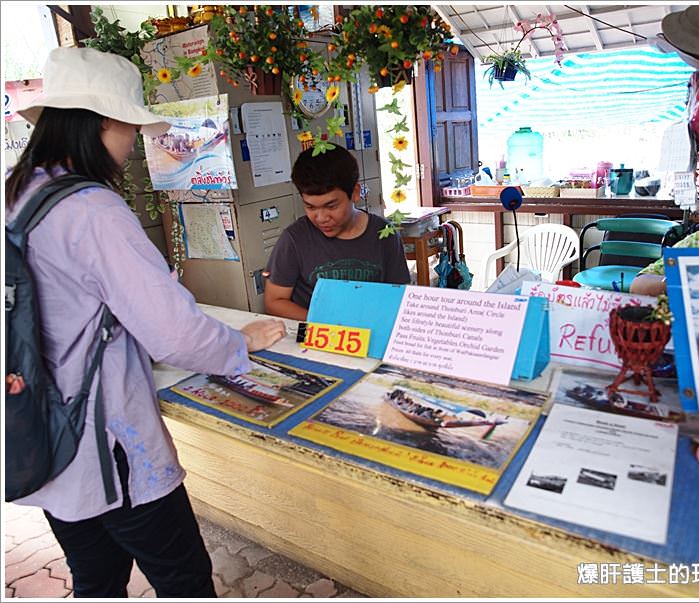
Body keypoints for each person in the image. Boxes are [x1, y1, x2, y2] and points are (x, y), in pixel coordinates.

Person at [5, 47, 287, 598]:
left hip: (41, 433)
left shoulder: (17, 192)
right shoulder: (92, 209)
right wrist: (238, 342)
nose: (133, 141)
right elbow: (176, 334)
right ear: (104, 121)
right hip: (109, 444)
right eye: (129, 126)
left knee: (95, 576)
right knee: (183, 579)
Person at [264, 144, 411, 320]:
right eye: (310, 207)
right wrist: (326, 323)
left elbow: (398, 296)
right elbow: (275, 301)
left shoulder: (385, 234)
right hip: (314, 338)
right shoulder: (295, 239)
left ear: (355, 193)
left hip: (368, 331)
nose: (321, 217)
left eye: (331, 206)